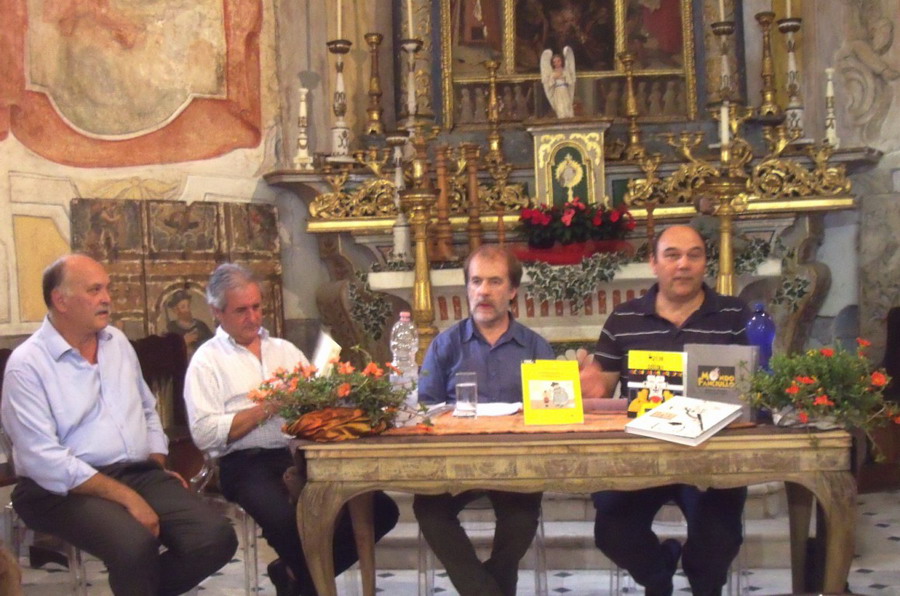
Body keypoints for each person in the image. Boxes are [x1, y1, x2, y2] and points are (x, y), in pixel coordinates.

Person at [1, 254, 237, 595]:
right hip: (57, 489)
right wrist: (127, 498)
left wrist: (156, 464)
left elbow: (147, 409)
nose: (107, 298)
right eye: (94, 290)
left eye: (107, 288)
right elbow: (43, 459)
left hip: (136, 472)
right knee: (134, 545)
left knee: (214, 537)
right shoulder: (27, 365)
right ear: (60, 300)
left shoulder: (116, 342)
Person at [184, 263, 399, 596]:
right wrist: (269, 405)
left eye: (257, 307)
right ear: (217, 312)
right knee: (290, 522)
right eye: (241, 310)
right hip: (245, 463)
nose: (253, 317)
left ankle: (291, 575)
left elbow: (314, 407)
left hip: (300, 454)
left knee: (381, 509)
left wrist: (332, 393)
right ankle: (304, 580)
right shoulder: (207, 361)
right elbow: (205, 433)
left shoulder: (284, 350)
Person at [579, 225, 751, 596]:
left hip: (711, 457)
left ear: (705, 263)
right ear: (653, 263)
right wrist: (581, 382)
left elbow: (756, 384)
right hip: (638, 456)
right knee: (612, 531)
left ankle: (703, 582)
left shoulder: (735, 314)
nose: (683, 264)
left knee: (718, 539)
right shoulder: (624, 317)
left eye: (694, 255)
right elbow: (600, 386)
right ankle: (659, 576)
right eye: (672, 255)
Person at [414, 246, 555, 596]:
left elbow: (553, 414)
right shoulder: (444, 345)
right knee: (428, 508)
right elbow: (424, 411)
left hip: (517, 465)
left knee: (521, 518)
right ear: (467, 288)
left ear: (512, 291)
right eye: (476, 281)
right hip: (453, 464)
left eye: (495, 282)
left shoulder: (536, 348)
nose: (484, 291)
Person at [166, 289, 213, 357]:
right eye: (183, 307)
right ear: (176, 310)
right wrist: (183, 342)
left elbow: (213, 345)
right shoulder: (171, 328)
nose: (187, 310)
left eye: (188, 306)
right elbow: (166, 353)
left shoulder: (201, 326)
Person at [540, 46, 576, 119]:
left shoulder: (565, 71)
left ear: (561, 61)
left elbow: (570, 81)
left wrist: (564, 77)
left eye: (558, 61)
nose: (556, 63)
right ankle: (561, 117)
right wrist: (554, 77)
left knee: (567, 104)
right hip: (558, 92)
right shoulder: (552, 73)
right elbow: (550, 84)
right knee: (560, 106)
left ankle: (568, 117)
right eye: (554, 62)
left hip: (565, 91)